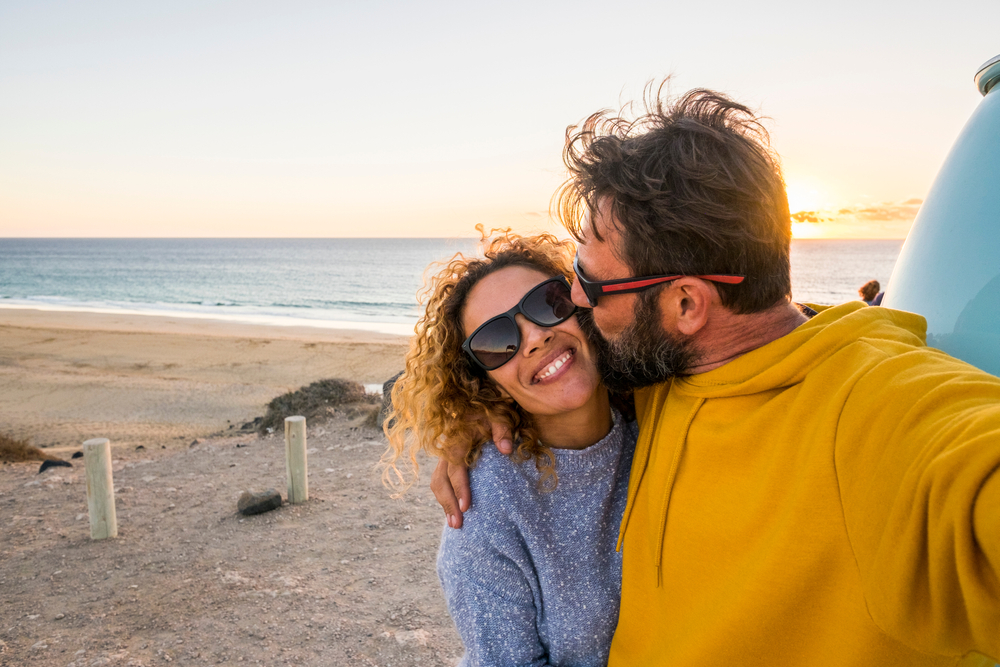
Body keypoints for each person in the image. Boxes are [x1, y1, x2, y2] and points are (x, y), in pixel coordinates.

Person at [433, 86, 1000, 666]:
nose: (576, 299)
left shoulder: (882, 409)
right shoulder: (659, 375)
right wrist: (478, 417)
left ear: (686, 306)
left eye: (586, 283)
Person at [381, 229, 638, 667]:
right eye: (497, 341)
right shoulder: (485, 509)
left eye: (547, 303)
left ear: (582, 302)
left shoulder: (660, 410)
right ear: (485, 383)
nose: (535, 338)